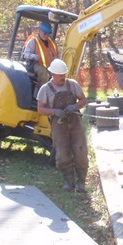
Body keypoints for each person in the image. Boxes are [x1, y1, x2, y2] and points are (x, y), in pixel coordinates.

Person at [36, 59, 89, 192]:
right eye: (60, 75)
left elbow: (84, 100)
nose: (63, 78)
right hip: (59, 126)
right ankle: (69, 182)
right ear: (52, 74)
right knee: (62, 154)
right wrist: (55, 112)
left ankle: (81, 182)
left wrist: (75, 106)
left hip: (75, 122)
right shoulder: (45, 89)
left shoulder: (72, 85)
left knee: (80, 151)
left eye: (64, 75)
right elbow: (40, 109)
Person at [23, 22, 58, 93]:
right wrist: (34, 56)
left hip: (50, 65)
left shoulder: (51, 42)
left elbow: (57, 53)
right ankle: (39, 95)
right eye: (45, 33)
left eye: (48, 34)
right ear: (40, 31)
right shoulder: (33, 41)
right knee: (44, 74)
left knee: (57, 75)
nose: (46, 35)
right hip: (37, 64)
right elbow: (25, 54)